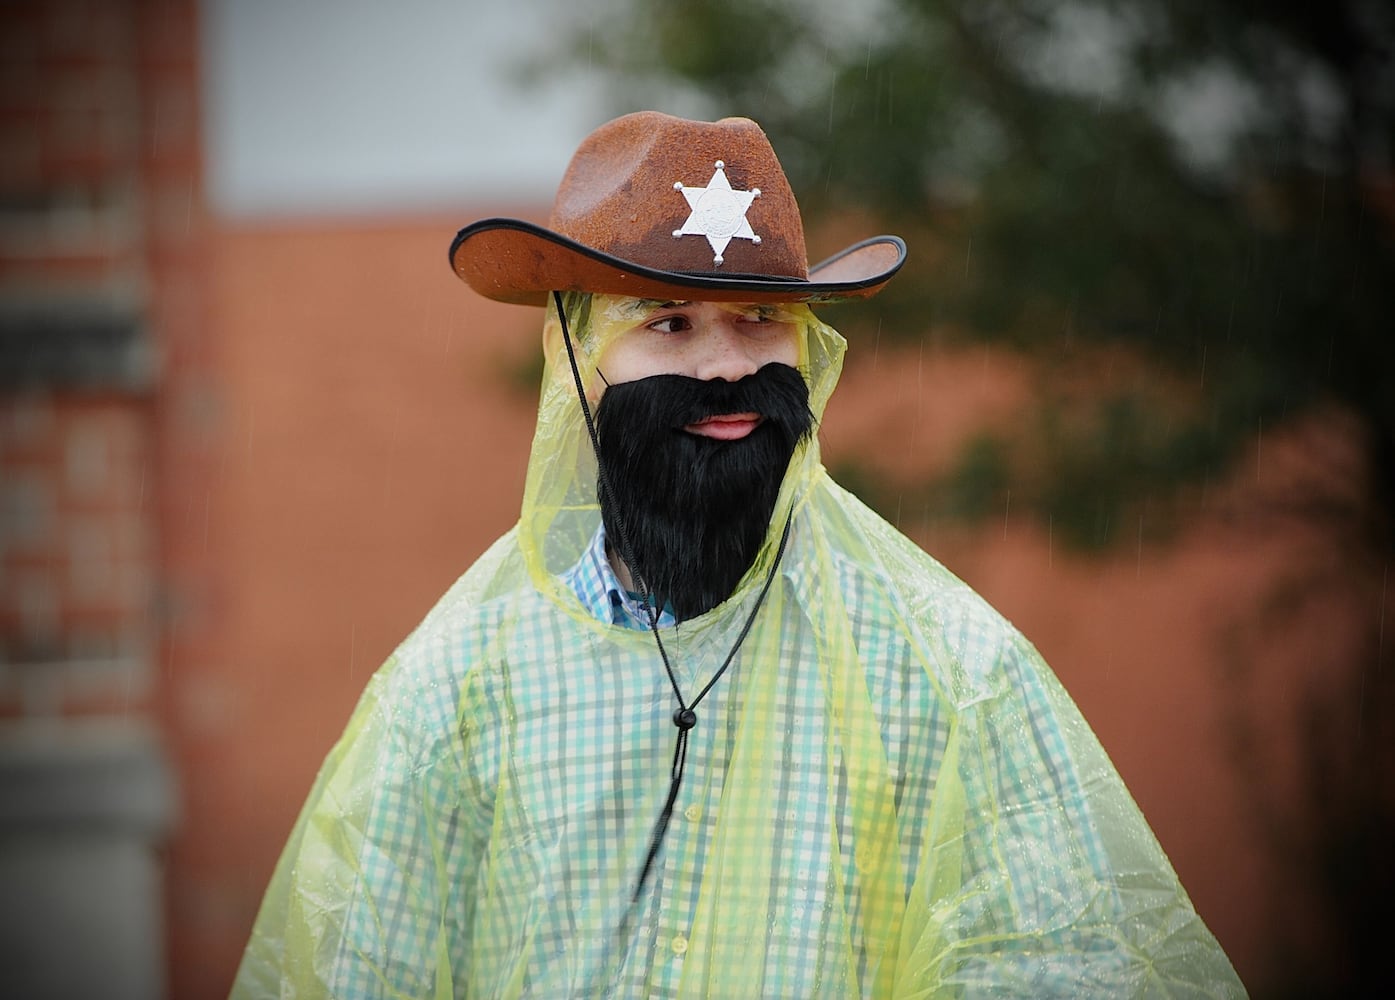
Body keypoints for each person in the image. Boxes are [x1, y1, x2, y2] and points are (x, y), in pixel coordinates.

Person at [231, 112, 1244, 998]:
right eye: (668, 324)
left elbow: (1064, 964)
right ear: (581, 367)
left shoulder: (947, 677)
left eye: (763, 320)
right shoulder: (456, 693)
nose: (726, 364)